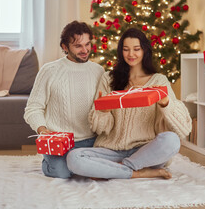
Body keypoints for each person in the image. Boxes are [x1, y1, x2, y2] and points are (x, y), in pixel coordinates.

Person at [66, 28, 192, 180]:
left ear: (145, 50)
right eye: (126, 49)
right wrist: (103, 112)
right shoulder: (108, 79)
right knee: (74, 158)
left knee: (172, 140)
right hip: (111, 150)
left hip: (145, 151)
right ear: (121, 52)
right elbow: (98, 129)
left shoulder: (159, 81)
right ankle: (137, 172)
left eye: (136, 49)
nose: (131, 54)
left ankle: (117, 170)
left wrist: (166, 103)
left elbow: (184, 129)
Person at [24, 20, 104, 179]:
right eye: (78, 46)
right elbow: (33, 108)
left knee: (105, 165)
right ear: (65, 47)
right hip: (59, 141)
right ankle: (53, 162)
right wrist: (42, 130)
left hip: (90, 141)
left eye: (87, 44)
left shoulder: (98, 71)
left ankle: (81, 165)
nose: (85, 50)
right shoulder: (50, 70)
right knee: (61, 172)